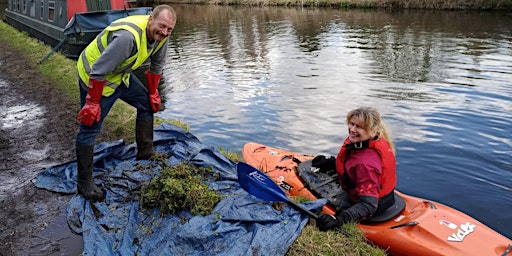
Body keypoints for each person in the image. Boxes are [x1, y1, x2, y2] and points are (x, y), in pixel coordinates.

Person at [75, 5, 177, 200]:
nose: (164, 32)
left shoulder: (161, 38)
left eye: (169, 29)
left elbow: (156, 66)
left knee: (146, 104)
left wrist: (154, 93)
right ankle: (84, 183)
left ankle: (146, 152)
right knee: (89, 128)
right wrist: (93, 102)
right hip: (95, 76)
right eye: (161, 26)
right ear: (150, 20)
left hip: (120, 74)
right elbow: (98, 70)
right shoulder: (127, 37)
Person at [312, 107, 397, 231]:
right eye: (351, 124)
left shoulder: (366, 164)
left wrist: (339, 219)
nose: (352, 130)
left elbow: (368, 205)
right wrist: (332, 163)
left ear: (372, 131)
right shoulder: (368, 141)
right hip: (387, 198)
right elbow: (353, 162)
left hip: (373, 206)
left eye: (359, 127)